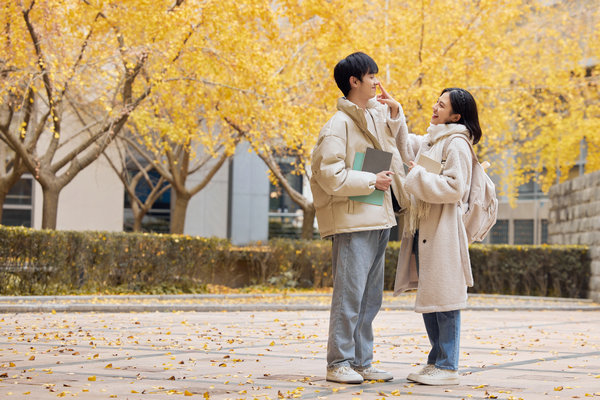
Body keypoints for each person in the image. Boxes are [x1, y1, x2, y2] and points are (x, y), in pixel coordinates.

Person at [310, 52, 409, 384]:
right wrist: (371, 181)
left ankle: (362, 362)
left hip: (378, 216)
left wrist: (395, 115)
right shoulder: (338, 125)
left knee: (370, 297)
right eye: (372, 76)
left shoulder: (372, 119)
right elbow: (328, 175)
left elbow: (397, 153)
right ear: (354, 81)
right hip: (354, 221)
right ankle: (338, 361)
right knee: (349, 295)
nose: (377, 82)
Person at [393, 87, 483, 386]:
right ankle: (436, 361)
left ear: (456, 115)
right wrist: (397, 114)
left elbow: (455, 188)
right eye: (437, 101)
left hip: (443, 230)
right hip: (426, 229)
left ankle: (448, 366)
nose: (435, 107)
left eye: (442, 105)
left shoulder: (456, 144)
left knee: (445, 299)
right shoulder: (435, 139)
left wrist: (417, 175)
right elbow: (408, 148)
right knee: (431, 296)